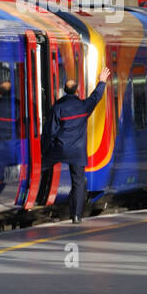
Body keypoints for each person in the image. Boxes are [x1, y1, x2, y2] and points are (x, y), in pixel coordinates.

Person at [43, 66, 111, 223]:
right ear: (77, 90)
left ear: (64, 91)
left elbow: (50, 131)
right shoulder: (83, 106)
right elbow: (96, 97)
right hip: (78, 152)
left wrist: (46, 150)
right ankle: (76, 215)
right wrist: (102, 82)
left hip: (59, 149)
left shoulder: (58, 107)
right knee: (78, 182)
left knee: (42, 166)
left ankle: (38, 191)